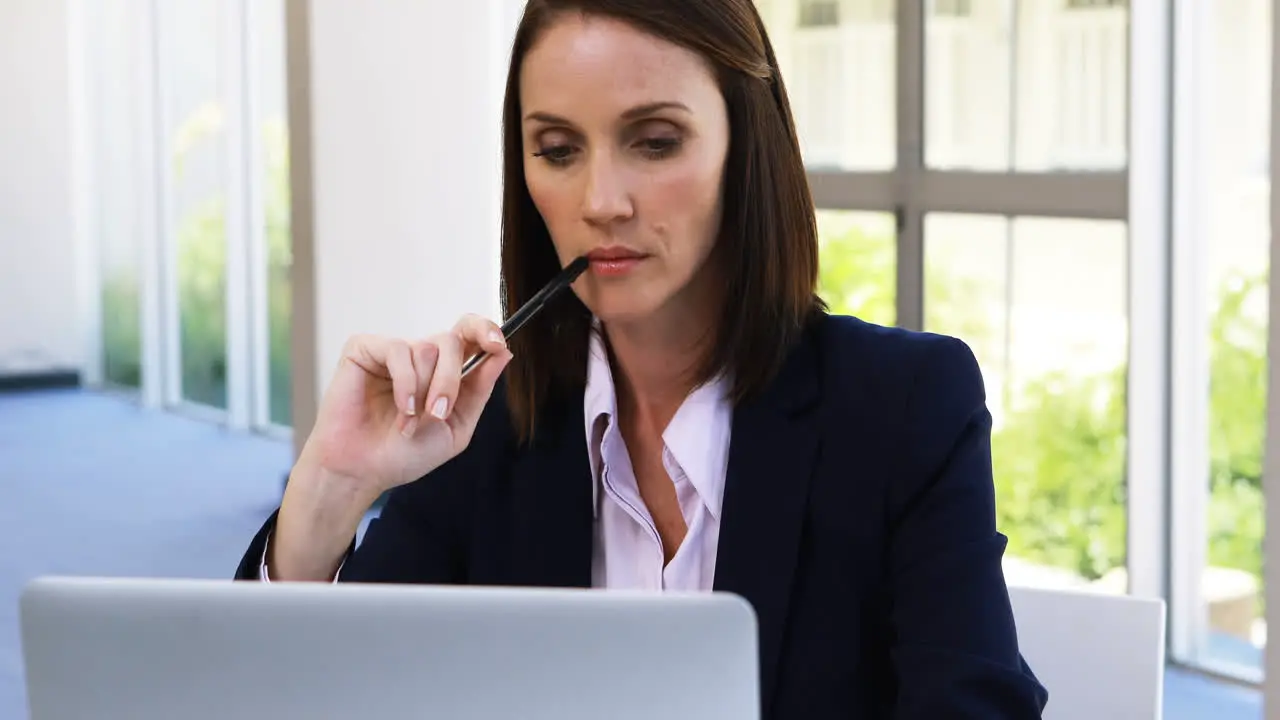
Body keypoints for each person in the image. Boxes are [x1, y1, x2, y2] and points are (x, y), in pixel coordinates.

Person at [235, 0, 1049, 717]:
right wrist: (332, 488)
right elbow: (318, 696)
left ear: (745, 144)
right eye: (557, 149)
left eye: (655, 142)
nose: (601, 202)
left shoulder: (906, 408)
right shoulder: (479, 427)